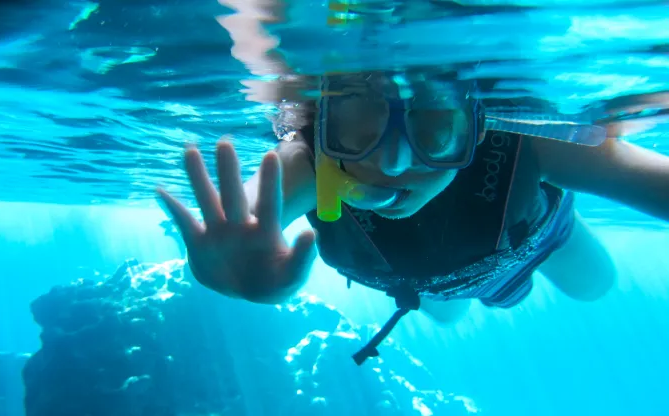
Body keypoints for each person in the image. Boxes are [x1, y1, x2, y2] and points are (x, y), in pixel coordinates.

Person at [158, 7, 669, 366]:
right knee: (444, 319)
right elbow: (254, 209)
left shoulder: (529, 140)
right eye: (356, 125)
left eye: (434, 129)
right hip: (422, 281)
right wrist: (229, 254)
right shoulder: (307, 161)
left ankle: (558, 219)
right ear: (319, 122)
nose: (393, 162)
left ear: (479, 121)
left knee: (594, 288)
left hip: (533, 240)